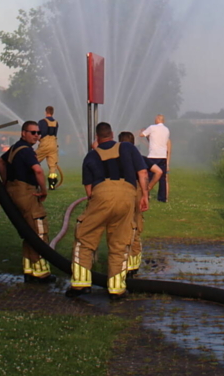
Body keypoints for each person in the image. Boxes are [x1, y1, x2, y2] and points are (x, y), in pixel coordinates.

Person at [67, 122, 148, 299]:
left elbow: (88, 191)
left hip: (101, 194)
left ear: (97, 137)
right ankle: (117, 289)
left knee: (85, 238)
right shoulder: (127, 147)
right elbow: (142, 173)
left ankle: (80, 285)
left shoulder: (91, 155)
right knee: (120, 242)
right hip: (128, 195)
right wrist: (144, 196)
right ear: (112, 134)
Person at [0, 121, 53, 283]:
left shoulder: (15, 148)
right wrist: (43, 189)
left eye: (38, 133)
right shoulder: (27, 151)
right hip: (27, 193)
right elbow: (38, 170)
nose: (36, 136)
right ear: (23, 133)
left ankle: (29, 269)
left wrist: (5, 182)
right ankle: (41, 273)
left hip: (14, 192)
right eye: (33, 132)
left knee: (28, 231)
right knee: (39, 231)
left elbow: (1, 162)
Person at [118, 131, 162, 276]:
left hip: (119, 192)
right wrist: (148, 189)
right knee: (135, 227)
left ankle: (121, 262)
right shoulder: (140, 159)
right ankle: (133, 265)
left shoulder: (116, 158)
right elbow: (158, 172)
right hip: (136, 191)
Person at [140, 114, 171, 203]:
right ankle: (162, 198)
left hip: (153, 155)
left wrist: (146, 133)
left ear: (158, 119)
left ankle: (146, 193)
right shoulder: (166, 130)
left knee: (148, 175)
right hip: (163, 155)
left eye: (155, 118)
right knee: (163, 178)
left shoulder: (152, 127)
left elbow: (142, 134)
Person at [36, 105, 61, 190]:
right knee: (52, 166)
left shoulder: (42, 122)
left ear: (45, 112)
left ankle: (34, 181)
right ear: (52, 112)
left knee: (34, 161)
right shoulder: (56, 122)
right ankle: (52, 184)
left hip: (45, 144)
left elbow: (40, 133)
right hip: (53, 144)